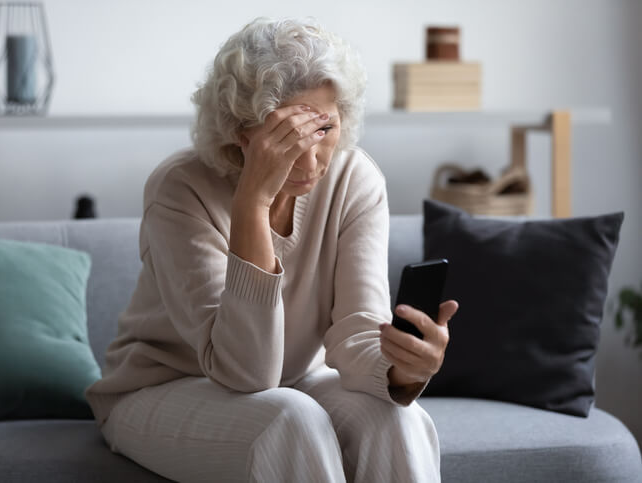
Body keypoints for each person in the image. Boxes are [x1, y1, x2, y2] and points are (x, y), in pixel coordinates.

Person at [85, 16, 458, 482]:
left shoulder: (354, 179)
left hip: (296, 380)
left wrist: (404, 370)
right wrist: (253, 203)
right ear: (242, 135)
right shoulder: (179, 189)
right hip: (163, 386)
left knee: (399, 419)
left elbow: (357, 335)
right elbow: (246, 371)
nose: (309, 160)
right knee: (289, 420)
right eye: (286, 138)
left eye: (324, 130)